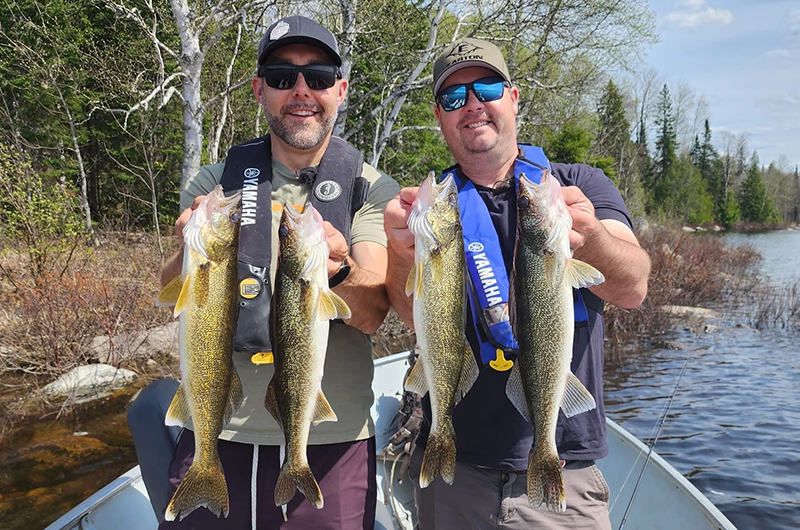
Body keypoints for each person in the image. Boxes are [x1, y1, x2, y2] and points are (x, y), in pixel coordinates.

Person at [136, 15, 400, 530]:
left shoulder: (372, 188)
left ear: (340, 90)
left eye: (318, 76)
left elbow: (372, 314)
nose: (301, 91)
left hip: (331, 441)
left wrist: (337, 270)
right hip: (217, 431)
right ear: (260, 90)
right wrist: (189, 247)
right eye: (282, 77)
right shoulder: (218, 183)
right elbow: (171, 293)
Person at [383, 38, 650, 530]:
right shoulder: (433, 208)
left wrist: (590, 239)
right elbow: (409, 313)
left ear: (513, 97)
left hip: (563, 471)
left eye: (486, 89)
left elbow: (633, 287)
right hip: (454, 475)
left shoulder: (577, 185)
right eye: (453, 97)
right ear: (439, 116)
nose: (472, 105)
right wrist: (401, 256)